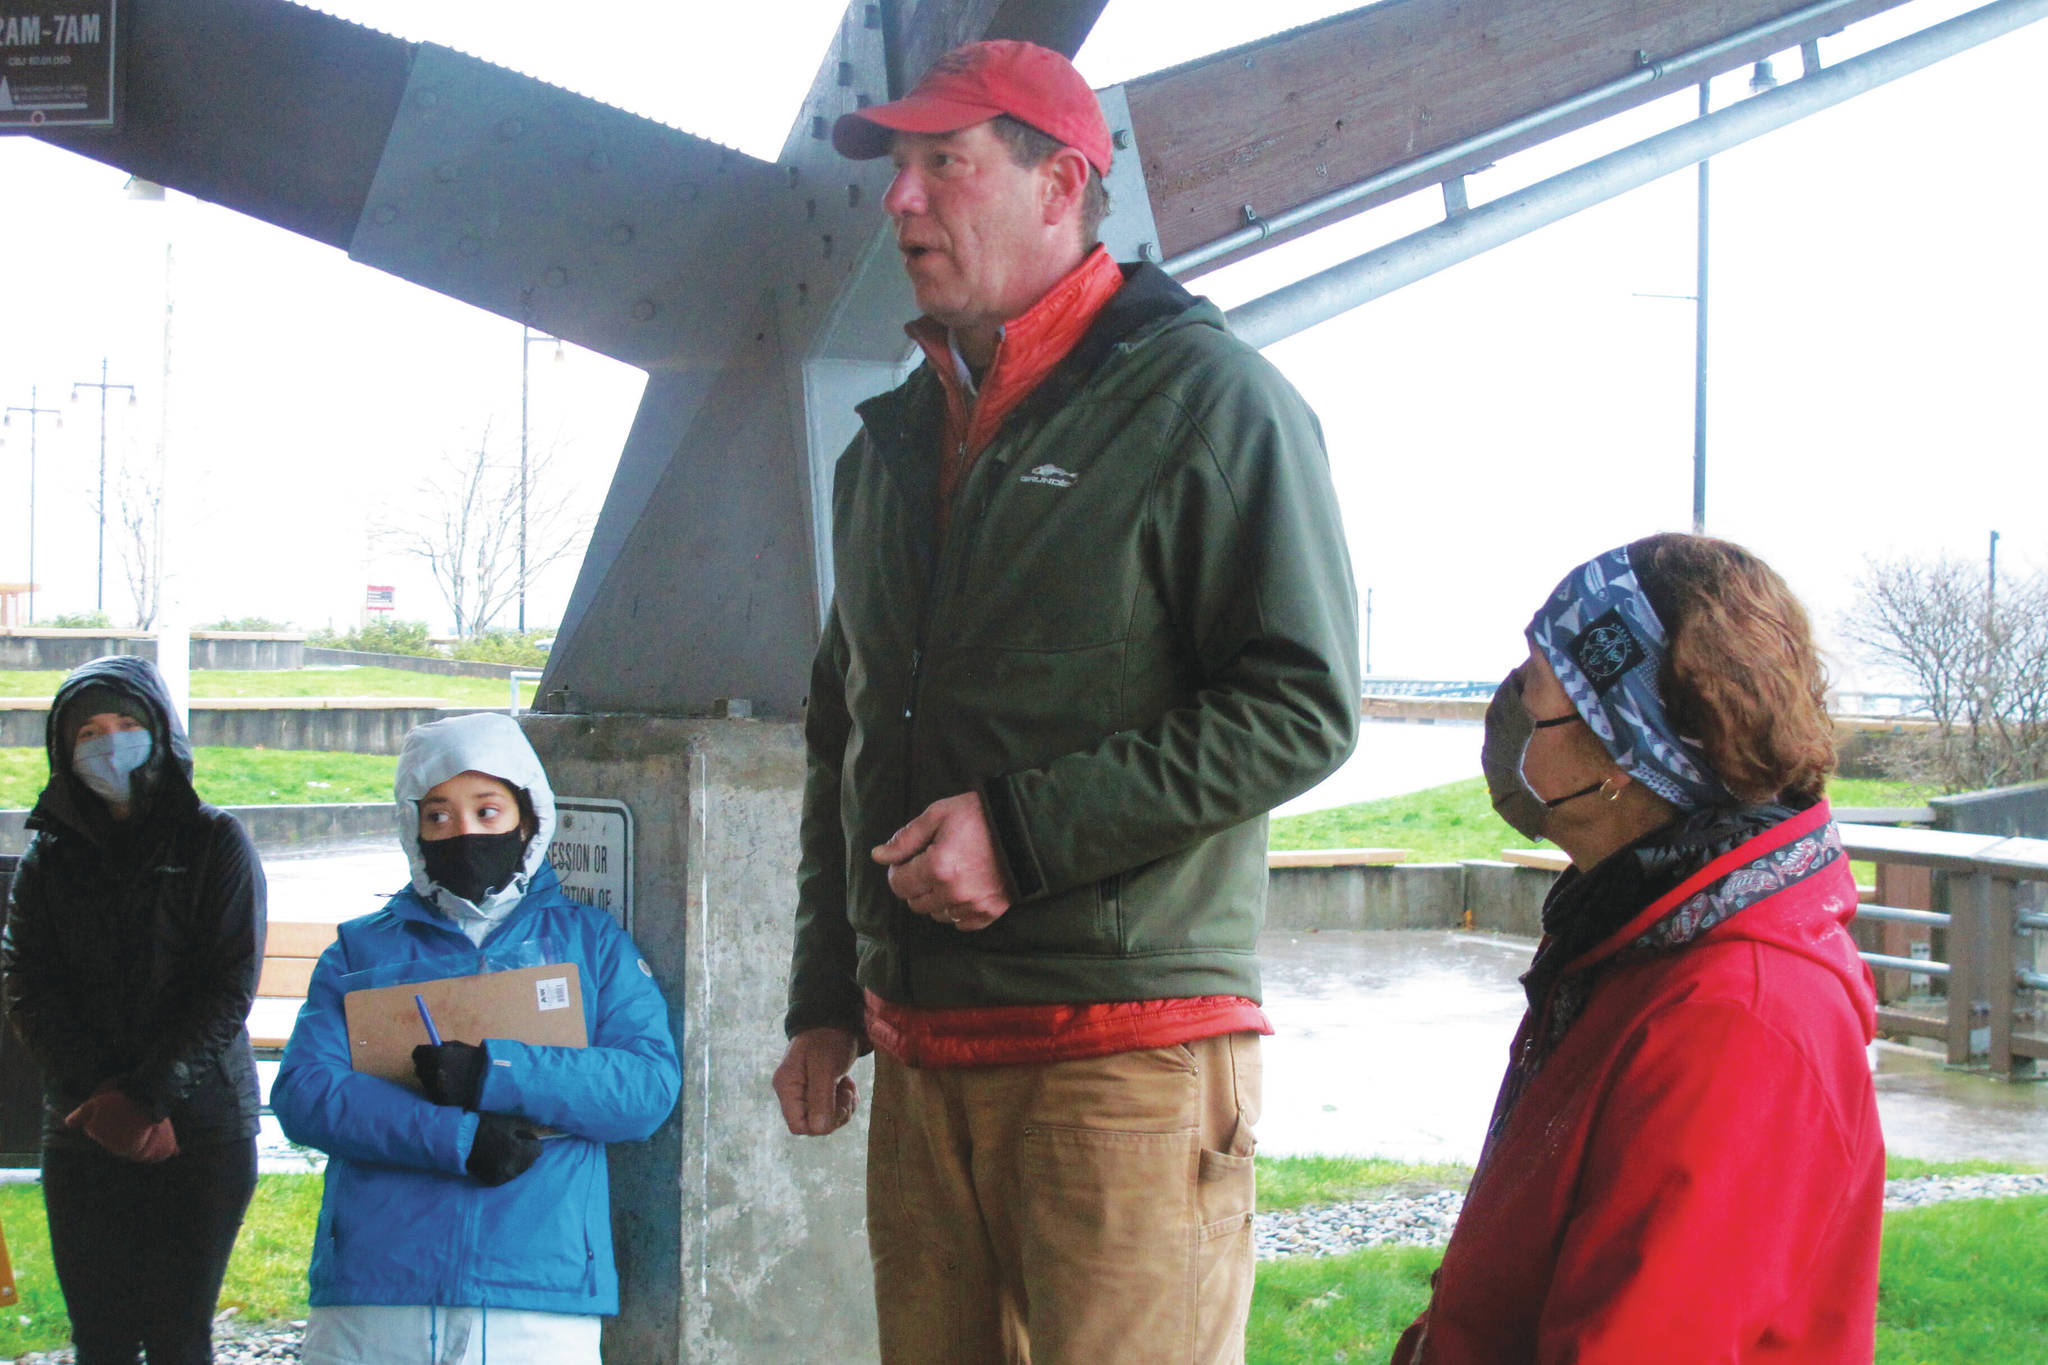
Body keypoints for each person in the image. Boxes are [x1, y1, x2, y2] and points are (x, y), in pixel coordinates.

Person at [771, 38, 1360, 1365]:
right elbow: (842, 732)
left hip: (1127, 1066)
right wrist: (824, 994)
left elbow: (1303, 703)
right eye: (898, 169)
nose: (900, 200)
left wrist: (1023, 834)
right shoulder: (887, 447)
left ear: (1060, 183)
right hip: (922, 1065)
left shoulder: (1212, 401)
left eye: (943, 165)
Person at [1394, 533, 1884, 1363]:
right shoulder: (1639, 941)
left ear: (1623, 750)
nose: (1510, 714)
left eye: (1534, 692)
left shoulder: (1737, 1019)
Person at [272, 712, 679, 1365]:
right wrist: (457, 1140)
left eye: (487, 811)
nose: (464, 832)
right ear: (413, 825)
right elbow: (307, 1092)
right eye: (438, 816)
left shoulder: (593, 944)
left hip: (538, 1291)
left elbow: (646, 1087)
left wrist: (499, 1072)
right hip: (377, 1291)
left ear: (529, 813)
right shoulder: (361, 948)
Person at [2, 655, 266, 1365]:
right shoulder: (47, 860)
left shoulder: (216, 842)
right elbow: (28, 982)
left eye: (126, 724)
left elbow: (228, 983)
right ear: (63, 748)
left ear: (159, 732)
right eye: (89, 729)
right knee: (103, 1337)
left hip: (201, 1126)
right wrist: (102, 1098)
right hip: (82, 1124)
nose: (109, 743)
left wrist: (149, 1098)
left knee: (180, 1335)